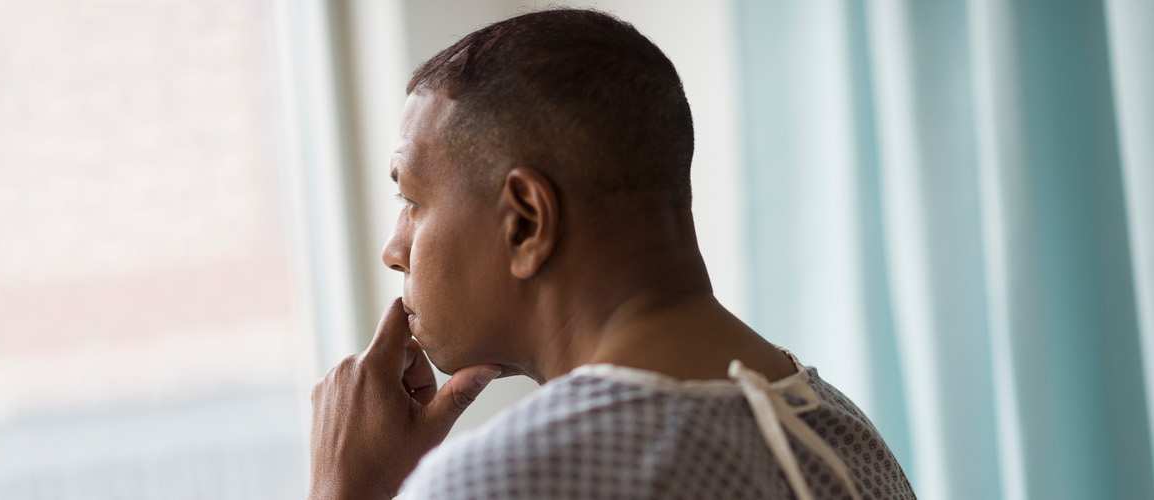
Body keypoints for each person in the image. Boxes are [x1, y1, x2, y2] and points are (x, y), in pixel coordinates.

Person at [309, 8, 915, 500]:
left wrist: (346, 489)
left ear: (526, 222)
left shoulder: (502, 483)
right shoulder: (846, 437)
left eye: (411, 198)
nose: (394, 250)